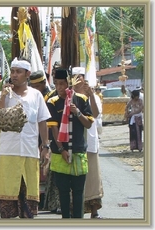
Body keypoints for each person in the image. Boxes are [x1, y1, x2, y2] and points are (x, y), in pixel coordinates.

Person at [0, 57, 51, 219]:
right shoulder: (2, 95)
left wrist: (45, 148)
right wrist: (4, 96)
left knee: (28, 202)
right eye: (12, 71)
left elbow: (42, 122)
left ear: (27, 74)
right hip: (8, 152)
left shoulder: (36, 96)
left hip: (29, 153)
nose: (14, 75)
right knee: (7, 202)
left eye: (18, 72)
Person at [46, 68, 93, 218]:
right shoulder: (52, 101)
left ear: (69, 84)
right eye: (56, 84)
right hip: (60, 153)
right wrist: (62, 150)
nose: (59, 88)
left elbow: (88, 124)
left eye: (62, 84)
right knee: (63, 192)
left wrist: (77, 112)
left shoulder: (82, 99)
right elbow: (54, 129)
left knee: (79, 192)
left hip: (78, 151)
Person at [72, 67, 104, 219]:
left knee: (92, 178)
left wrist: (90, 95)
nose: (78, 80)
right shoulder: (69, 95)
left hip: (89, 142)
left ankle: (93, 210)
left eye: (80, 77)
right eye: (75, 77)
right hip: (74, 142)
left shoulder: (93, 96)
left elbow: (95, 114)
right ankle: (75, 209)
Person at [29, 70, 61, 214]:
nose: (34, 89)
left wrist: (46, 142)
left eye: (37, 86)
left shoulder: (52, 97)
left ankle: (56, 203)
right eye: (32, 86)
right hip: (37, 139)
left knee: (53, 173)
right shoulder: (34, 96)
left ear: (43, 83)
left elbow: (49, 122)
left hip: (52, 140)